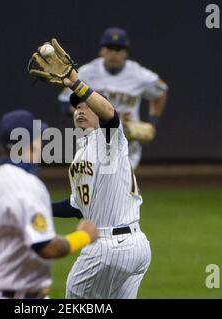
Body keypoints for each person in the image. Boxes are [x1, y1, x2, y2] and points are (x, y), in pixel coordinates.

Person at [30, 39, 151, 298]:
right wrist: (39, 206)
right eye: (77, 107)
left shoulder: (109, 138)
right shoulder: (81, 153)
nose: (80, 110)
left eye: (86, 106)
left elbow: (109, 112)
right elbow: (77, 207)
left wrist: (75, 82)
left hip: (107, 247)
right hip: (136, 248)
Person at [0, 109, 98, 299]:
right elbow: (47, 248)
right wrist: (84, 235)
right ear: (29, 144)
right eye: (39, 137)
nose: (42, 142)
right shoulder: (29, 185)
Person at [58, 27, 169, 169]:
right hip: (96, 140)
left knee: (120, 187)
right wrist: (86, 116)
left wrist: (153, 123)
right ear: (101, 51)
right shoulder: (87, 72)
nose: (114, 53)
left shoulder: (139, 75)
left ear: (126, 53)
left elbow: (160, 93)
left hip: (128, 142)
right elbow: (63, 102)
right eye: (109, 48)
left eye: (119, 49)